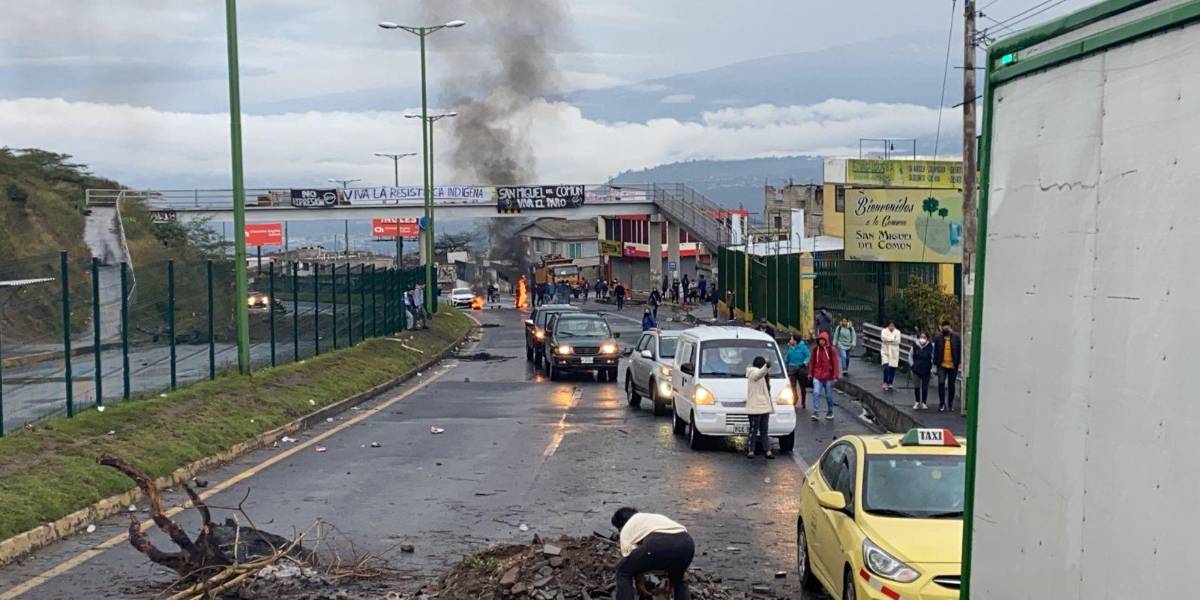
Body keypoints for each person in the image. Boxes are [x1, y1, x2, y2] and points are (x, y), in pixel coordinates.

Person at [611, 508, 694, 600]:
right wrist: (671, 584)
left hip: (658, 545)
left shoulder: (627, 527)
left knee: (622, 571)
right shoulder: (653, 518)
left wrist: (639, 584)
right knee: (679, 579)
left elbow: (630, 558)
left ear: (621, 525)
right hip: (687, 544)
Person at [745, 356, 775, 459]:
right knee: (755, 430)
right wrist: (767, 367)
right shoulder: (753, 372)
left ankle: (766, 450)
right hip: (755, 407)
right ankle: (752, 450)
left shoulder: (762, 375)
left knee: (763, 430)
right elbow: (759, 374)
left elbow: (761, 373)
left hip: (764, 407)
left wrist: (766, 368)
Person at [809, 332, 840, 420]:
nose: (821, 342)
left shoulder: (831, 350)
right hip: (817, 375)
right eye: (820, 340)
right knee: (816, 393)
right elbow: (812, 362)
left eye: (823, 340)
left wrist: (835, 375)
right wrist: (810, 373)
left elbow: (835, 363)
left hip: (828, 376)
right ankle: (816, 411)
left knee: (828, 395)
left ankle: (830, 411)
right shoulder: (815, 350)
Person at [932, 321, 962, 412]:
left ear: (950, 327)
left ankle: (950, 403)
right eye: (944, 326)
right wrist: (935, 362)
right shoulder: (938, 337)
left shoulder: (956, 337)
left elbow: (959, 350)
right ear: (941, 328)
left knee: (951, 385)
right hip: (942, 364)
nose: (945, 328)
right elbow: (936, 350)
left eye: (947, 326)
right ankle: (942, 403)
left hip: (953, 365)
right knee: (941, 383)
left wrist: (958, 362)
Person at [785, 334, 810, 410]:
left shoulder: (803, 347)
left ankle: (803, 401)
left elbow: (808, 356)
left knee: (802, 386)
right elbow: (787, 358)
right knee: (792, 386)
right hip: (792, 368)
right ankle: (795, 398)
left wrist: (805, 362)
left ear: (795, 341)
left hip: (801, 368)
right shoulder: (790, 348)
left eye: (791, 339)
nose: (790, 340)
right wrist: (785, 366)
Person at [911, 332, 933, 410]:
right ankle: (917, 401)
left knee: (925, 387)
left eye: (924, 337)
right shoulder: (915, 346)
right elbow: (910, 356)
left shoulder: (930, 346)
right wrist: (912, 365)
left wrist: (931, 367)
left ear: (927, 338)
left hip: (926, 369)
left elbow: (932, 357)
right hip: (916, 369)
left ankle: (924, 402)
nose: (922, 339)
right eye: (921, 337)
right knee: (916, 386)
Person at [880, 321, 901, 392]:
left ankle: (890, 382)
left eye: (893, 326)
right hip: (885, 351)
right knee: (886, 366)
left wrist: (888, 340)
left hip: (894, 352)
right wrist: (892, 340)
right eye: (890, 325)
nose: (891, 327)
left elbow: (897, 341)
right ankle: (885, 382)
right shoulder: (884, 331)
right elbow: (883, 338)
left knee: (892, 368)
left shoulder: (898, 332)